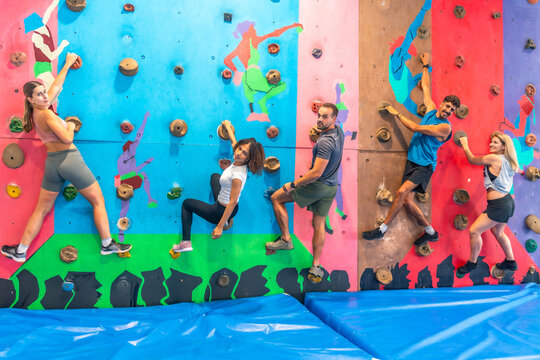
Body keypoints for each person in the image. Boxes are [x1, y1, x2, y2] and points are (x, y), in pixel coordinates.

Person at [1, 53, 131, 263]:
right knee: (98, 200)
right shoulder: (47, 115)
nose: (44, 96)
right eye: (39, 94)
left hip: (53, 163)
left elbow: (55, 89)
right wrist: (69, 125)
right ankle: (107, 244)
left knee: (41, 209)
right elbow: (68, 136)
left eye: (43, 92)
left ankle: (21, 250)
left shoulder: (37, 112)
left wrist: (68, 63)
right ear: (30, 99)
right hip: (69, 160)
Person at [362, 52, 461, 245]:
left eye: (451, 110)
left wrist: (396, 114)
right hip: (412, 161)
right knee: (407, 201)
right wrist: (425, 65)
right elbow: (425, 88)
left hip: (424, 166)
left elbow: (416, 127)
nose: (448, 111)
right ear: (442, 104)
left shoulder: (445, 127)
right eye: (447, 106)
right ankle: (431, 232)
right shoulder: (432, 110)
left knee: (400, 193)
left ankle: (382, 230)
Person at [266, 103, 344, 283]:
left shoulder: (325, 142)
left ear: (334, 119)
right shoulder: (338, 133)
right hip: (331, 187)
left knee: (276, 198)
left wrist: (293, 185)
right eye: (319, 115)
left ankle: (286, 239)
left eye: (325, 117)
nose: (320, 119)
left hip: (318, 185)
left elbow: (316, 173)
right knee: (319, 223)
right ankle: (316, 266)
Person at [172, 121, 265, 253]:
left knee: (186, 204)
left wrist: (220, 226)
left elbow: (232, 202)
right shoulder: (239, 161)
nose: (238, 153)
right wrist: (227, 126)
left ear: (248, 159)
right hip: (230, 206)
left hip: (220, 211)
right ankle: (226, 218)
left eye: (244, 153)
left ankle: (186, 242)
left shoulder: (238, 175)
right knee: (215, 177)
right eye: (239, 149)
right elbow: (235, 143)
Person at [456, 132, 519, 276]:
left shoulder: (494, 158)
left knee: (474, 231)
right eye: (491, 142)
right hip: (506, 203)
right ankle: (511, 261)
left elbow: (472, 159)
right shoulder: (509, 161)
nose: (491, 144)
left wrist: (464, 143)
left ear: (504, 146)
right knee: (498, 232)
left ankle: (472, 263)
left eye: (495, 142)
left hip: (499, 205)